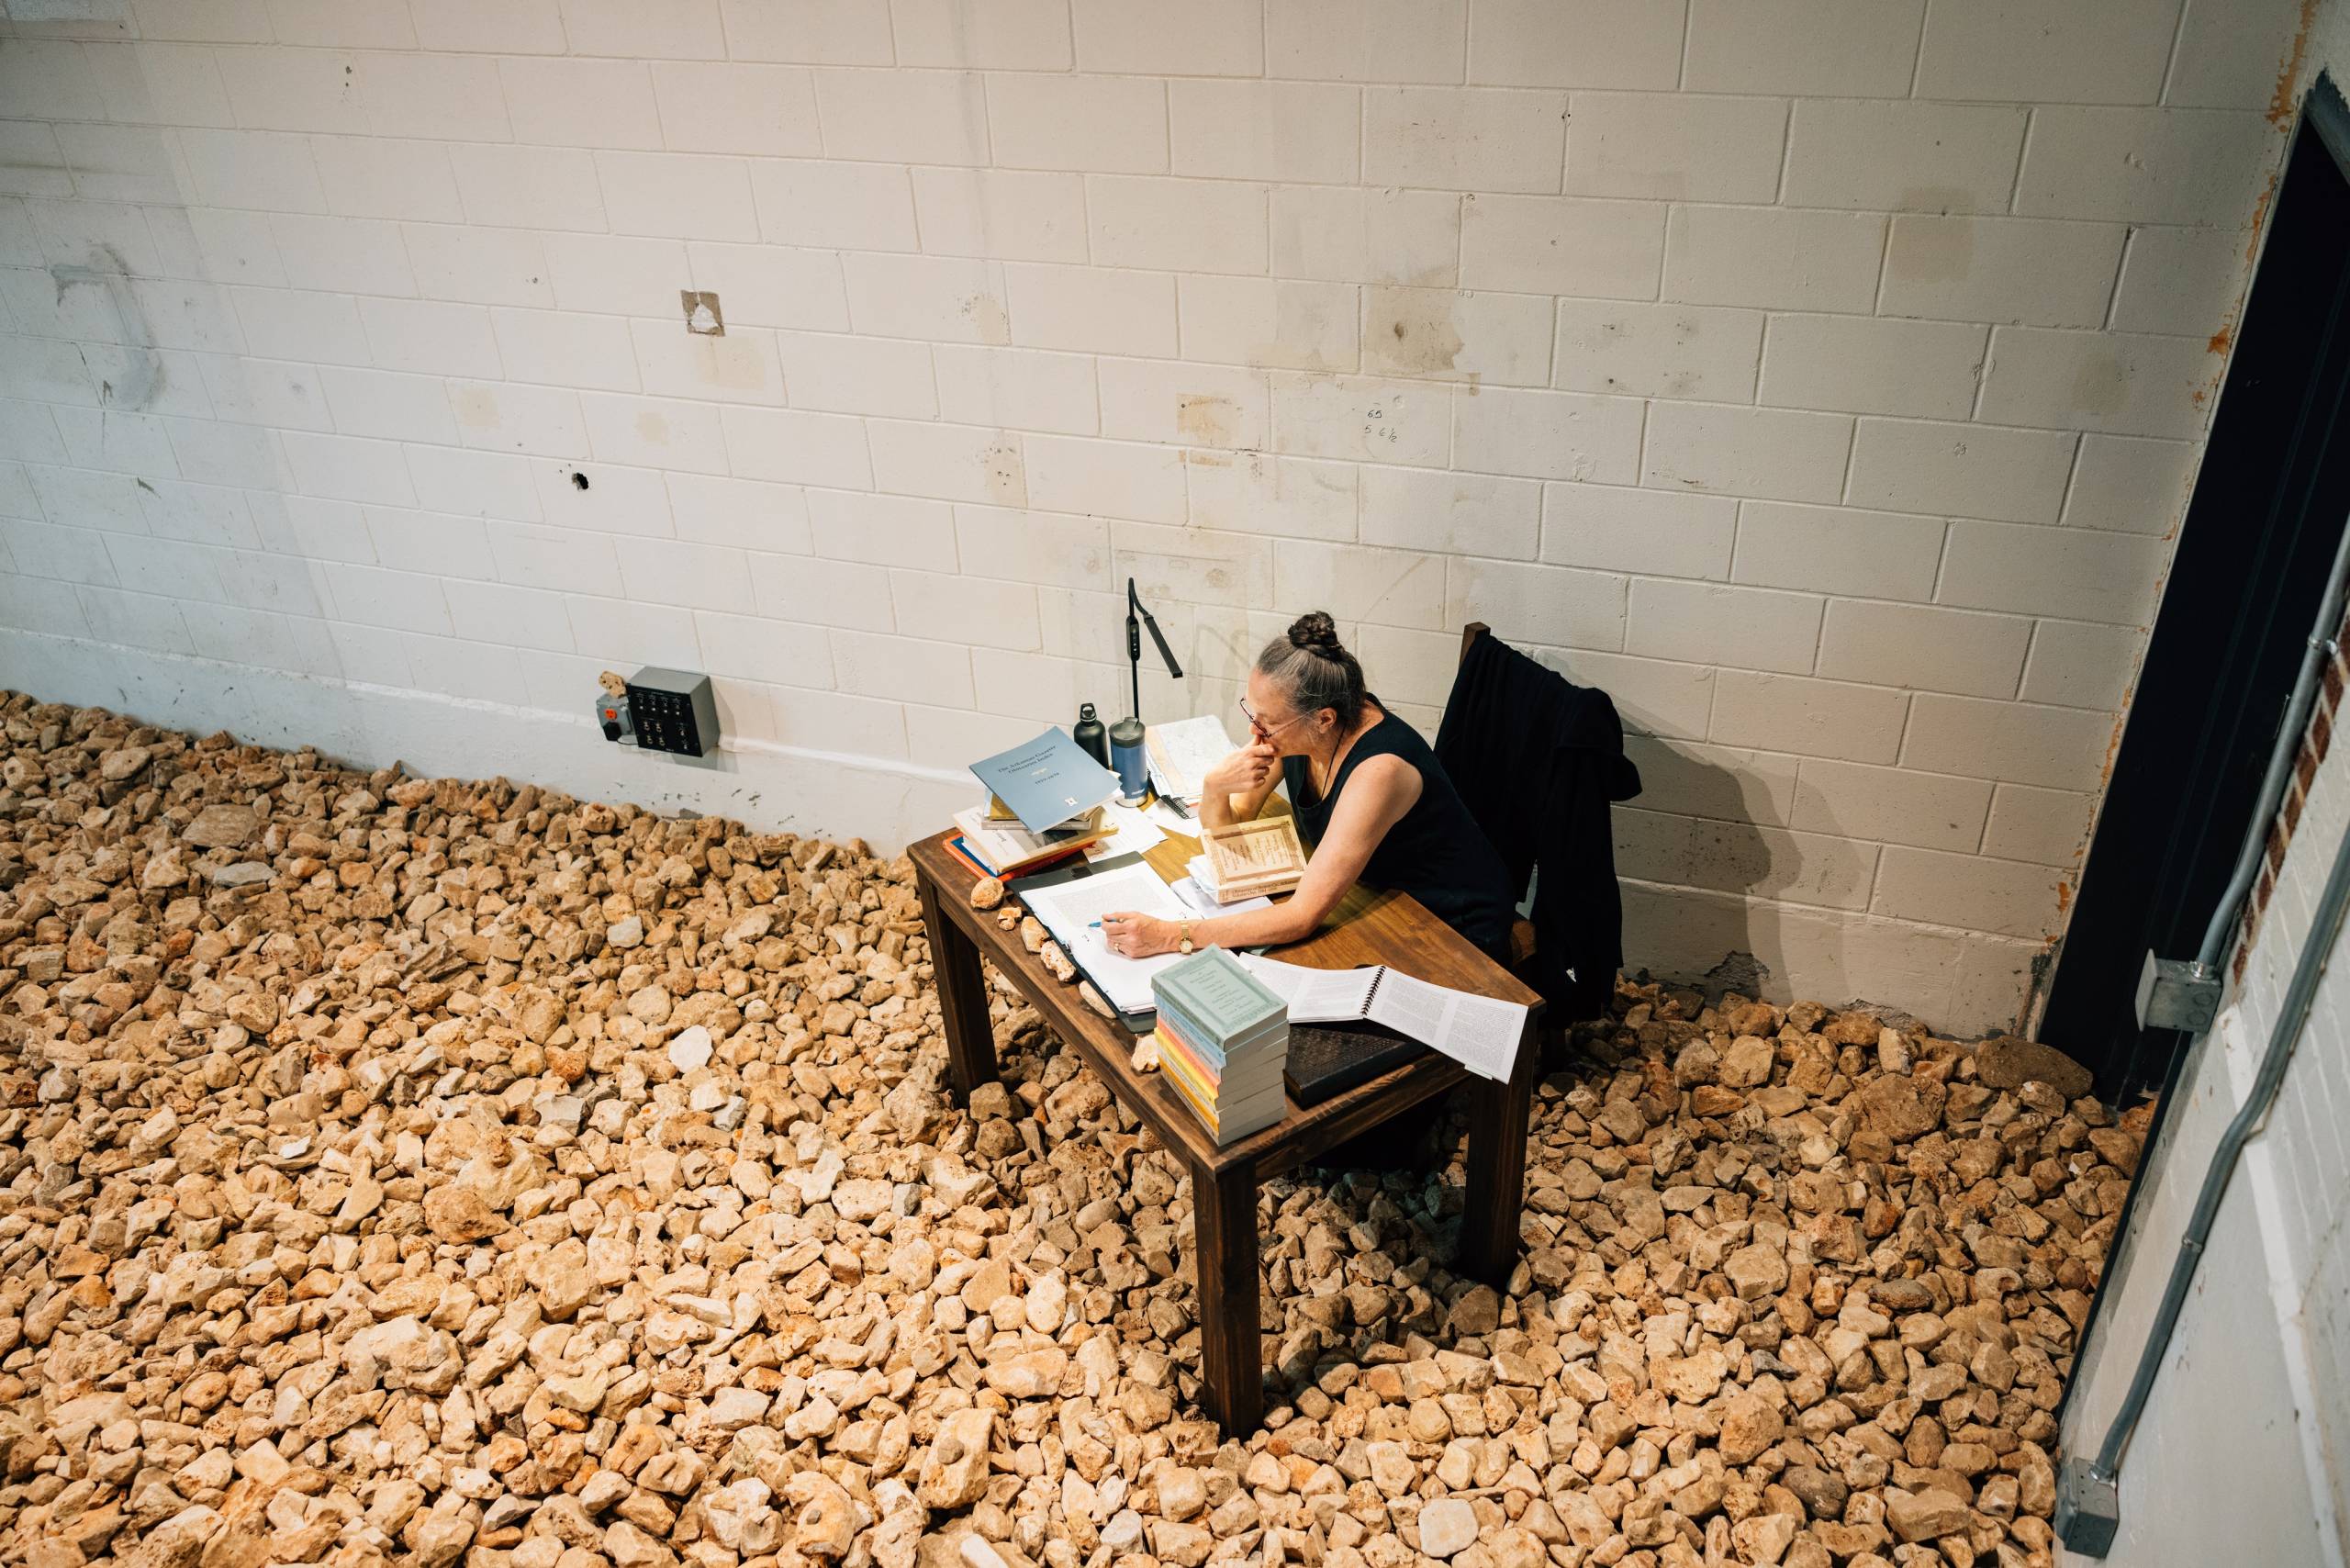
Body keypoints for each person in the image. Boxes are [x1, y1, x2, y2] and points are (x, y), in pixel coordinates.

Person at [1099, 611, 1518, 964]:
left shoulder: (1379, 771)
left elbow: (1302, 917)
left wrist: (1172, 936)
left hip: (1446, 920)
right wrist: (1214, 789)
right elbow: (1235, 827)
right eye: (1252, 711)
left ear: (1324, 719)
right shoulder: (1302, 727)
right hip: (1374, 893)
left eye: (1265, 721)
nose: (1253, 730)